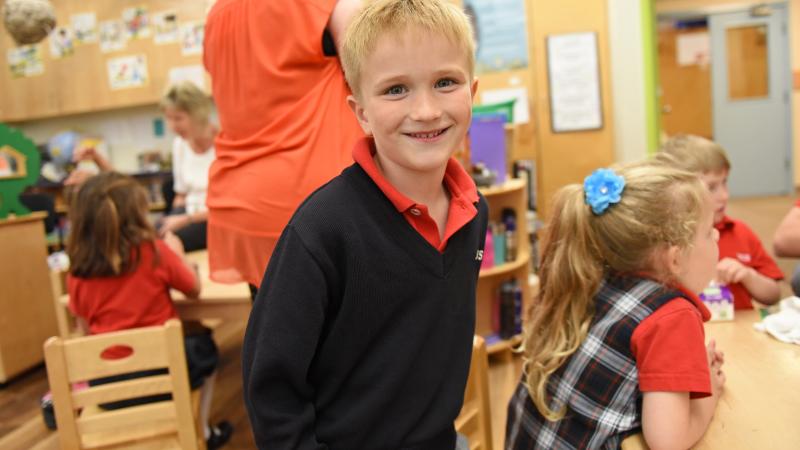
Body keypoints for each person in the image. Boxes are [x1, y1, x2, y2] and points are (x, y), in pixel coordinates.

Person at [241, 0, 486, 448]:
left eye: (445, 82)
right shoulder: (321, 231)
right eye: (396, 90)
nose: (427, 110)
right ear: (360, 112)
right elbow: (272, 388)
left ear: (474, 90)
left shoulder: (472, 211)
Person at [505, 163, 725, 449]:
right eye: (709, 232)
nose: (718, 237)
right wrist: (710, 392)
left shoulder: (594, 277)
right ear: (675, 258)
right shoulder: (672, 317)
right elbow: (668, 442)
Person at [202, 0, 365, 291]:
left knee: (281, 329)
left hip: (242, 202)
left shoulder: (217, 14)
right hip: (318, 198)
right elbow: (378, 62)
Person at [65, 172, 232, 449]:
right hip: (165, 378)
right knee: (204, 345)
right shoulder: (153, 252)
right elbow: (194, 289)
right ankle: (203, 431)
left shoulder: (77, 273)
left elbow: (85, 331)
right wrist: (177, 251)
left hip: (107, 389)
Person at [657, 134, 782, 308]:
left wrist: (748, 275)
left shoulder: (740, 232)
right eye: (711, 187)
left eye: (725, 182)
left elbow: (774, 295)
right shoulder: (665, 248)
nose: (724, 195)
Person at [158, 81, 217, 252]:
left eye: (178, 118)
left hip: (213, 219)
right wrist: (172, 218)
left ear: (198, 114)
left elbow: (230, 205)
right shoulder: (179, 145)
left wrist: (185, 219)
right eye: (168, 118)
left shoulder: (224, 142)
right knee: (153, 237)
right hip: (188, 213)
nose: (172, 126)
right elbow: (181, 195)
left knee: (167, 244)